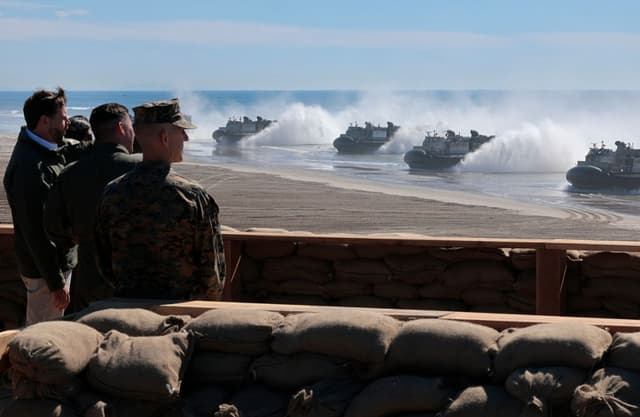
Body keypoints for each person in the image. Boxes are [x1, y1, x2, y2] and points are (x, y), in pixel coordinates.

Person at [95, 98, 226, 300]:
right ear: (165, 137)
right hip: (182, 313)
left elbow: (104, 263)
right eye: (182, 132)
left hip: (127, 308)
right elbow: (213, 275)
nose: (186, 138)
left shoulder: (112, 193)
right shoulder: (192, 196)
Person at [45, 103, 141, 311]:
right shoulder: (142, 168)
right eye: (131, 128)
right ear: (122, 129)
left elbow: (55, 229)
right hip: (138, 284)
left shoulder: (70, 174)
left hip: (88, 282)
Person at [2, 87, 76, 324]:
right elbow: (36, 231)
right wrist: (55, 283)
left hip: (48, 268)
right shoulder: (30, 169)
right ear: (44, 121)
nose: (68, 122)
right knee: (41, 337)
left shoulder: (42, 150)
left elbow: (64, 152)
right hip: (46, 272)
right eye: (63, 117)